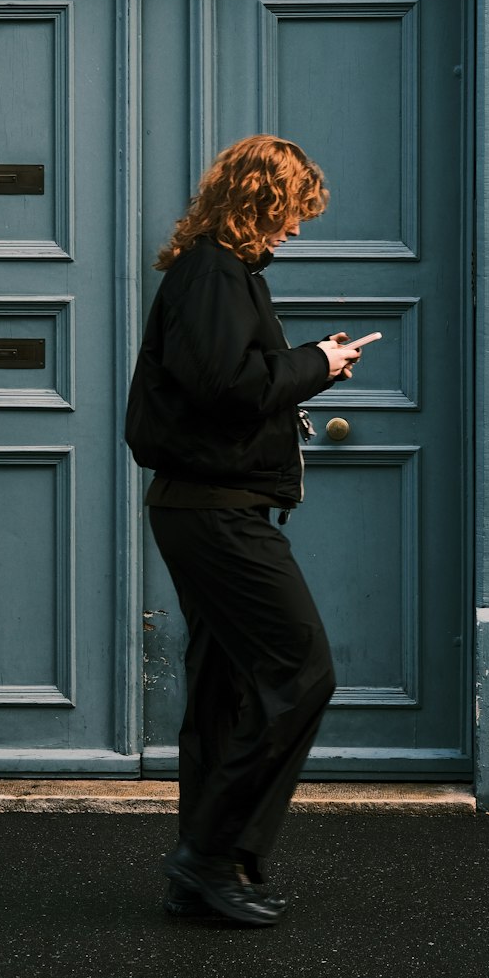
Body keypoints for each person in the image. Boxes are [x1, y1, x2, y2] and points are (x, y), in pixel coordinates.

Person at [124, 134, 367, 926]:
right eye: (291, 212)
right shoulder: (212, 274)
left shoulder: (222, 276)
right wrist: (317, 364)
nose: (295, 230)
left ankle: (207, 869)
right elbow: (228, 387)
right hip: (213, 512)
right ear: (259, 201)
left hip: (210, 506)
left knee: (225, 692)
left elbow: (227, 382)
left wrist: (305, 362)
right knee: (303, 671)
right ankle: (206, 855)